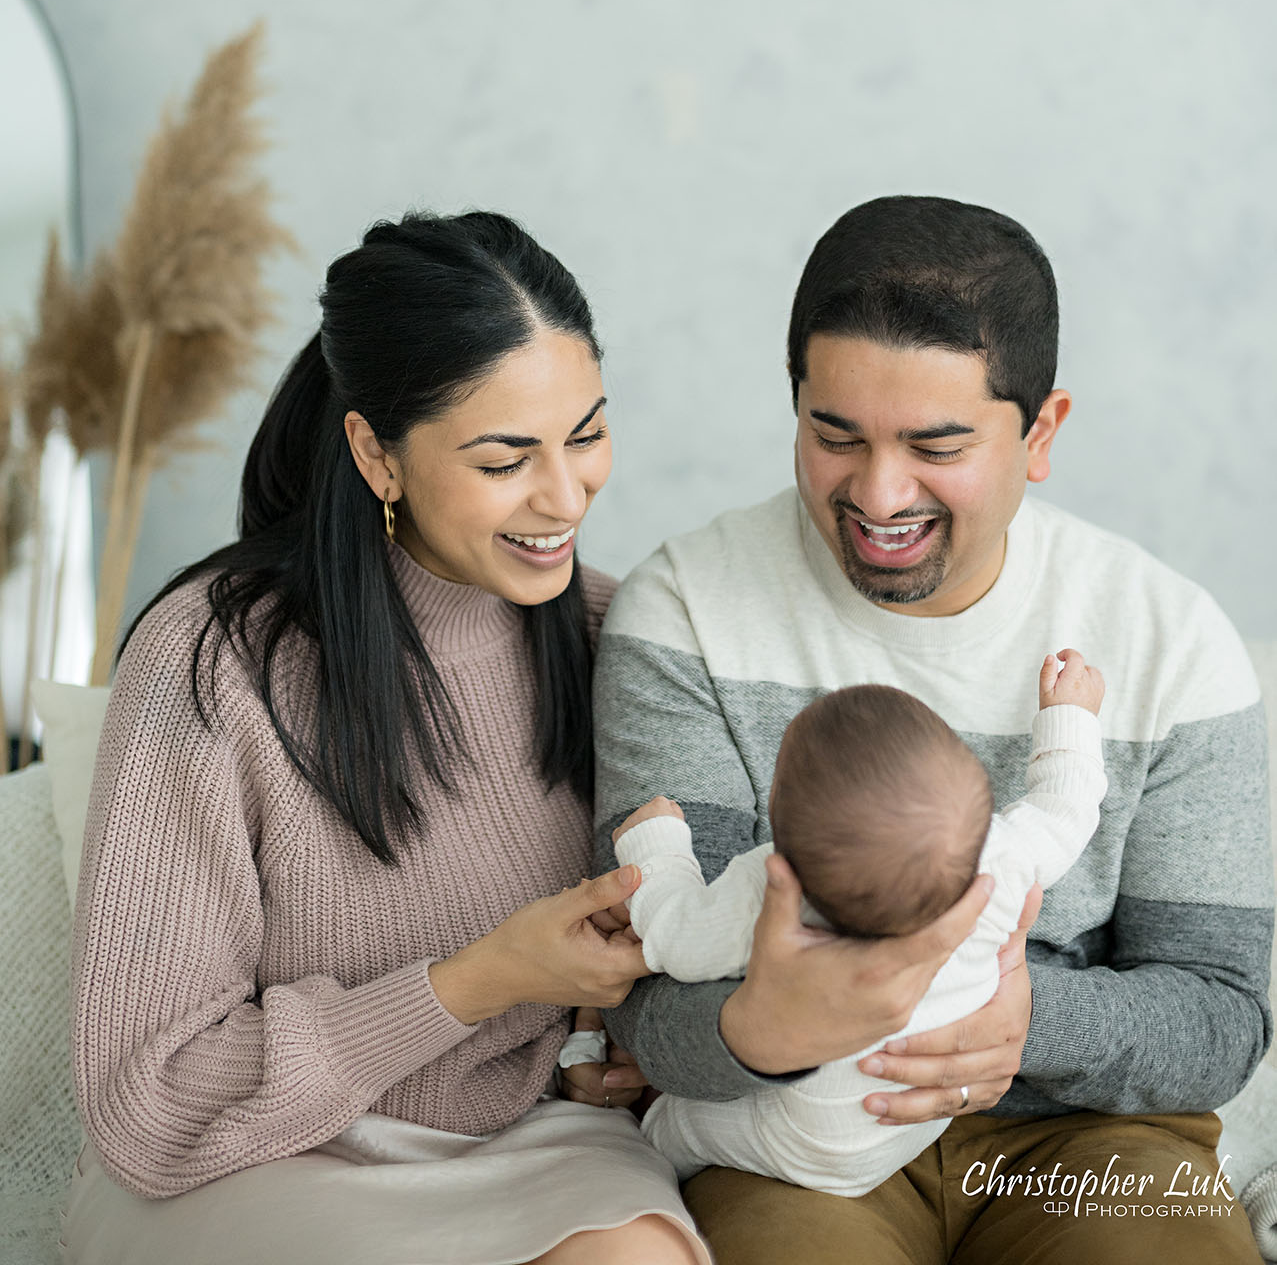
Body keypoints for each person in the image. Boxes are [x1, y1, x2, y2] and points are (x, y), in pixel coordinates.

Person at [594, 194, 1273, 1264]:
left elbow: (1220, 1019)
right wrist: (758, 1032)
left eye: (934, 443)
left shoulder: (1167, 640)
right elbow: (645, 993)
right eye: (834, 436)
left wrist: (1019, 1021)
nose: (876, 493)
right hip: (792, 1137)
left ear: (1039, 432)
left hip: (1087, 1138)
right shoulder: (687, 613)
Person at [66, 210, 717, 1265]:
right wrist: (478, 980)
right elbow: (152, 1103)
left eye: (586, 434)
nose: (566, 496)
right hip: (249, 1162)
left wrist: (620, 1050)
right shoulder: (211, 662)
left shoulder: (614, 634)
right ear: (376, 452)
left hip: (527, 1143)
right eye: (506, 458)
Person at [612, 649, 1106, 1195]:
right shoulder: (1002, 854)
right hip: (920, 1120)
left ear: (776, 804)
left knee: (675, 1127)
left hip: (804, 1140)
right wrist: (1070, 716)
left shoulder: (772, 887)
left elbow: (673, 938)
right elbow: (1067, 807)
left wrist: (657, 846)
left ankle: (643, 1165)